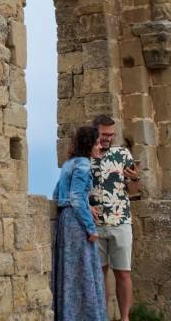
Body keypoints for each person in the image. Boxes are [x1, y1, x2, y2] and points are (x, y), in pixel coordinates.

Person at [52, 126, 108, 321]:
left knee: (70, 272)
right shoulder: (84, 164)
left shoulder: (69, 163)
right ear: (89, 144)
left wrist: (86, 205)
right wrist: (91, 228)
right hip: (77, 224)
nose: (100, 146)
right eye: (97, 142)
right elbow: (76, 197)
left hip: (65, 221)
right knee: (83, 270)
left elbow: (58, 194)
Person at [89, 114, 140, 321]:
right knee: (99, 273)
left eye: (111, 134)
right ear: (95, 132)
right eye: (104, 134)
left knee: (123, 273)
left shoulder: (123, 154)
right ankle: (102, 316)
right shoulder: (84, 155)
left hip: (120, 222)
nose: (108, 138)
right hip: (94, 225)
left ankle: (124, 318)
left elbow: (135, 192)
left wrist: (136, 178)